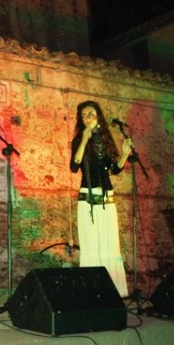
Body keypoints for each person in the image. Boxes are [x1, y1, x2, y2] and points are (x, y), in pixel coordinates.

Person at [70, 101, 133, 298]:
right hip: (87, 199)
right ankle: (92, 292)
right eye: (83, 116)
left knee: (109, 244)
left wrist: (124, 155)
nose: (87, 118)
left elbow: (114, 169)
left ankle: (113, 291)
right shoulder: (78, 140)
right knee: (91, 246)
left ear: (98, 116)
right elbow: (74, 166)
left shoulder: (106, 140)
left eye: (91, 114)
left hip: (107, 198)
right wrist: (84, 140)